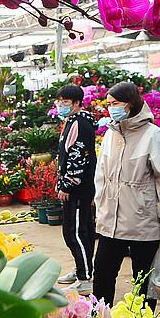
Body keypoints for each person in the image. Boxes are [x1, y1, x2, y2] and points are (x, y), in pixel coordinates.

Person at [92, 82, 160, 309]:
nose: (111, 109)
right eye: (108, 104)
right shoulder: (111, 134)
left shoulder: (153, 135)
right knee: (102, 275)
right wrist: (100, 206)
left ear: (130, 103)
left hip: (142, 219)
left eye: (115, 103)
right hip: (110, 219)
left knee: (144, 282)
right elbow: (101, 175)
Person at [54, 84, 98, 291]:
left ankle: (85, 277)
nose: (61, 105)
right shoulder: (73, 122)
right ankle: (84, 268)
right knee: (84, 231)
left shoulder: (79, 124)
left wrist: (67, 185)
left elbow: (78, 158)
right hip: (80, 187)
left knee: (75, 232)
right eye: (59, 101)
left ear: (77, 103)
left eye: (65, 102)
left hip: (78, 189)